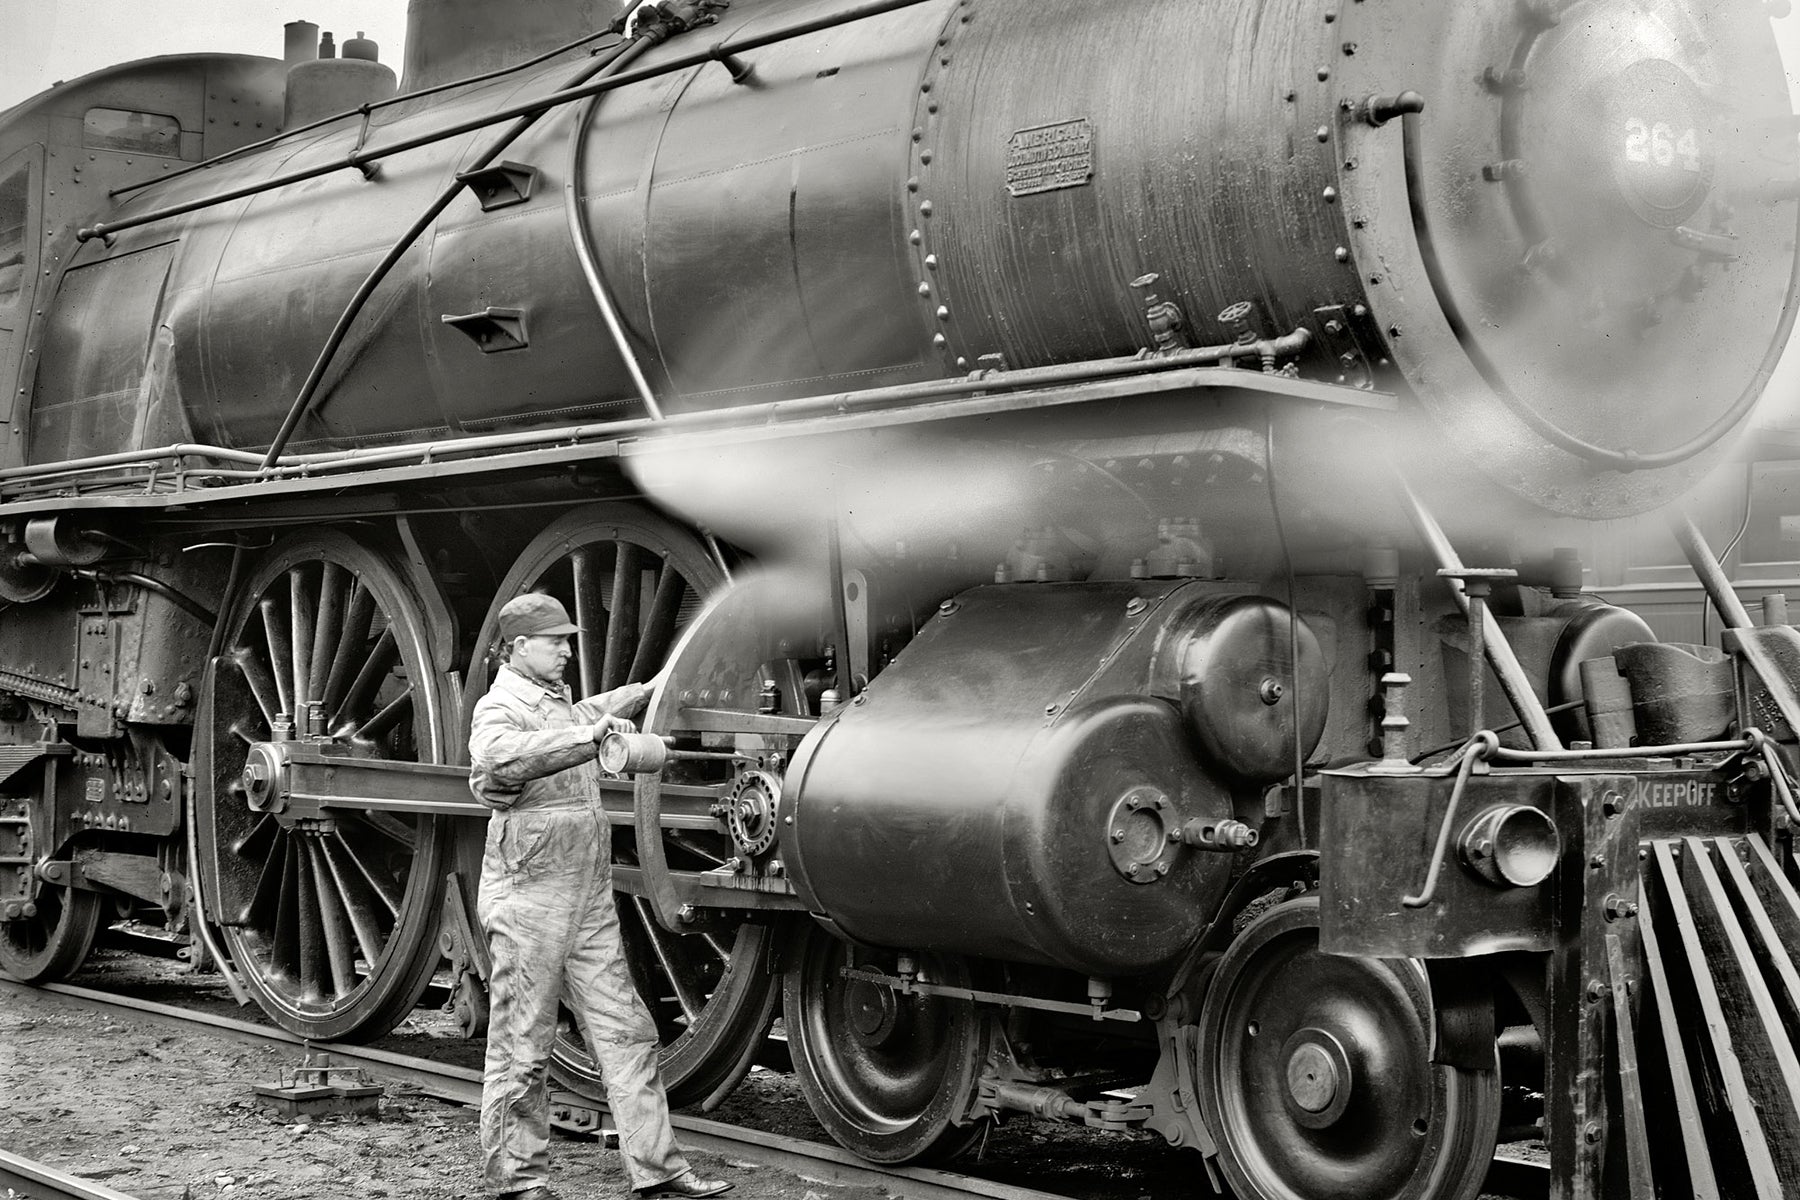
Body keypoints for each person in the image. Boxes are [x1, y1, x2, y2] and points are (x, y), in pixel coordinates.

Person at [469, 592, 732, 1200]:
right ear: (518, 647)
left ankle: (659, 1172)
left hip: (585, 899)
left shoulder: (559, 703)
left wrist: (649, 688)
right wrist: (590, 737)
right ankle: (516, 1182)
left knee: (628, 1032)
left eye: (566, 639)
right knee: (522, 1043)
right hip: (529, 897)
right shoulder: (500, 705)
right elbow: (496, 756)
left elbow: (591, 711)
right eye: (554, 640)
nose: (566, 649)